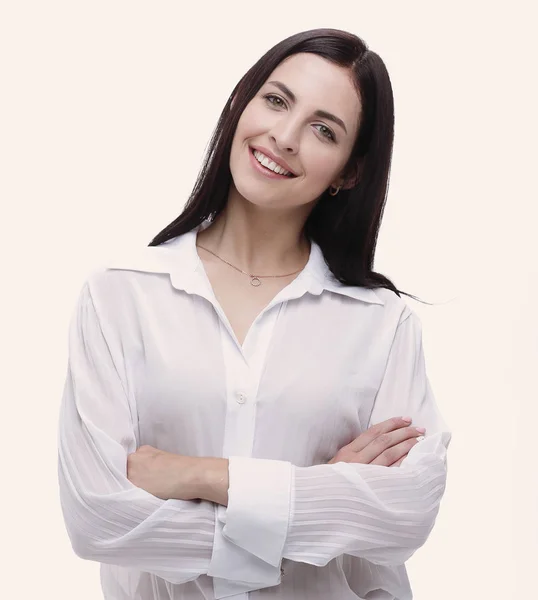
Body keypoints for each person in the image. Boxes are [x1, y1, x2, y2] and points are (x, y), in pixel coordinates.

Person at [57, 27, 451, 600]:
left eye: (324, 129)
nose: (285, 136)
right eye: (276, 100)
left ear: (349, 171)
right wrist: (322, 496)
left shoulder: (381, 325)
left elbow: (403, 517)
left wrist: (198, 475)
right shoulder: (120, 296)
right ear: (243, 103)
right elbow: (99, 523)